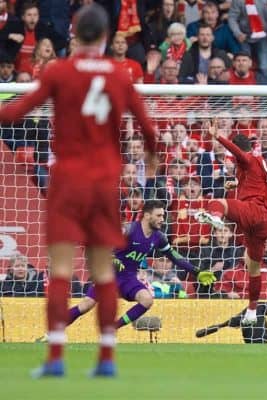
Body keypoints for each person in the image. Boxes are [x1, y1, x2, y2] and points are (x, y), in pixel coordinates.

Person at [0, 4, 158, 377]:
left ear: (74, 35)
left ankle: (55, 357)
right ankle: (106, 358)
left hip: (68, 180)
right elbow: (148, 129)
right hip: (104, 184)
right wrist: (151, 159)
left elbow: (16, 112)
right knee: (104, 270)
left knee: (60, 270)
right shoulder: (120, 76)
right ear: (105, 37)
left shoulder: (61, 71)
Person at [51, 200, 212, 326]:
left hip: (128, 279)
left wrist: (197, 272)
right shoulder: (128, 230)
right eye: (159, 216)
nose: (162, 219)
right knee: (86, 305)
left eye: (163, 216)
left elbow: (175, 257)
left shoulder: (159, 237)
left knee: (147, 300)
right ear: (147, 216)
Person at [195, 131, 267, 326]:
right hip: (263, 222)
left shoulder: (247, 158)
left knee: (218, 203)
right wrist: (238, 183)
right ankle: (252, 311)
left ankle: (215, 218)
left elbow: (240, 156)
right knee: (254, 267)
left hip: (253, 211)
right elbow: (258, 186)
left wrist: (218, 137)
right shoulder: (260, 161)